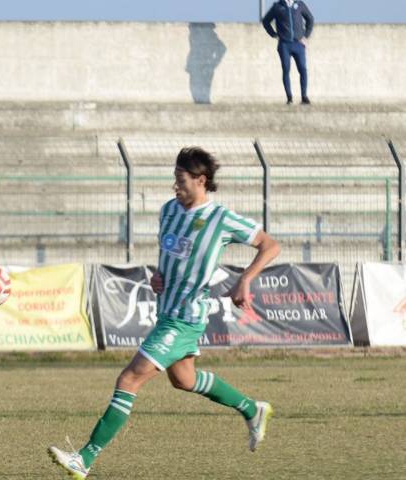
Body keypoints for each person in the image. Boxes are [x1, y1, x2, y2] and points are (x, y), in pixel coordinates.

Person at [48, 147, 281, 479]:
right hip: (166, 310)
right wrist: (160, 275)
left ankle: (84, 458)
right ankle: (252, 408)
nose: (175, 186)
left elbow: (270, 245)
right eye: (174, 179)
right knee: (184, 380)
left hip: (184, 317)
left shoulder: (221, 218)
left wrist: (246, 278)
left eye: (181, 180)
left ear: (201, 180)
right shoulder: (169, 211)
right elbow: (173, 254)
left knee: (129, 379)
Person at [262, 0, 314, 105]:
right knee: (286, 69)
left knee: (303, 69)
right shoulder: (277, 6)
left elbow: (310, 19)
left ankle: (304, 97)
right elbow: (266, 21)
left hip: (298, 44)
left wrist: (306, 36)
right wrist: (273, 34)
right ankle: (289, 98)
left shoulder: (299, 4)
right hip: (284, 44)